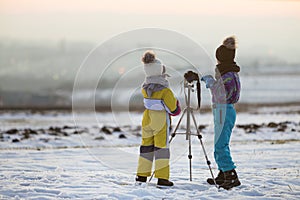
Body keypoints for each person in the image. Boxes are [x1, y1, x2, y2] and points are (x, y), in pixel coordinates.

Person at [201, 36, 241, 190]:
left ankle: (231, 175)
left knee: (220, 145)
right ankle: (223, 173)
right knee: (220, 143)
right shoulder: (229, 73)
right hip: (222, 111)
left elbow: (220, 94)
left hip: (224, 110)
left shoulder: (228, 76)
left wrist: (210, 82)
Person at [136, 50, 181, 187]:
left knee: (146, 147)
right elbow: (173, 109)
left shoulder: (145, 87)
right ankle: (162, 178)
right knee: (161, 149)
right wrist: (177, 106)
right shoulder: (165, 90)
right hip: (160, 121)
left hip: (147, 118)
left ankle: (141, 176)